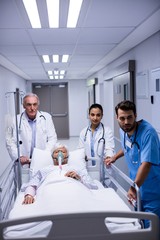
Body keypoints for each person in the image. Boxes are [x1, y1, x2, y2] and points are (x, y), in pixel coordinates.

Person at [105, 100, 160, 229]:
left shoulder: (148, 133)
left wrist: (134, 188)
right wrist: (115, 157)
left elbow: (146, 164)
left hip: (153, 191)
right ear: (117, 118)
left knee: (151, 229)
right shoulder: (123, 130)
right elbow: (127, 147)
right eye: (122, 118)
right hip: (137, 188)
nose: (126, 122)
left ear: (135, 115)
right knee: (139, 225)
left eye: (129, 117)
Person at [6, 93, 57, 182]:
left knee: (43, 184)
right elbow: (9, 141)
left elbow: (52, 139)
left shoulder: (46, 117)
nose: (32, 108)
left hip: (42, 159)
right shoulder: (15, 120)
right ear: (24, 105)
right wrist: (19, 156)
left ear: (38, 105)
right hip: (24, 162)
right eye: (29, 105)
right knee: (25, 185)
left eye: (35, 104)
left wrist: (44, 155)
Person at [22, 144, 98, 204]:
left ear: (67, 156)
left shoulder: (76, 169)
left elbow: (93, 186)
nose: (60, 153)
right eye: (57, 152)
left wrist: (79, 178)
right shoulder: (44, 170)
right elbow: (32, 184)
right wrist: (29, 195)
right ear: (52, 155)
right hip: (50, 191)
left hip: (74, 191)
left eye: (63, 152)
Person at [78, 103, 115, 187]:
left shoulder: (107, 131)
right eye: (92, 115)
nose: (95, 118)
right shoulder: (83, 132)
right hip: (88, 168)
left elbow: (109, 148)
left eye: (98, 115)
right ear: (89, 115)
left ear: (102, 116)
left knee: (105, 192)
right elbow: (80, 150)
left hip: (103, 168)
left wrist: (109, 157)